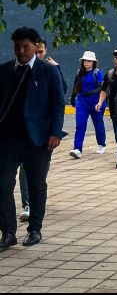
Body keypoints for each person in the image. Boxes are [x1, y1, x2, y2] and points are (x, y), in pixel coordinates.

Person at [0, 27, 66, 249]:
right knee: (2, 185)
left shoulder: (48, 72)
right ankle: (8, 232)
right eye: (17, 46)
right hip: (8, 139)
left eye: (25, 46)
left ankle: (34, 229)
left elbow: (58, 103)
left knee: (37, 185)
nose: (20, 50)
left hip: (37, 140)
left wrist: (55, 133)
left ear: (36, 46)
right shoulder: (4, 70)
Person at [69, 51, 106, 159]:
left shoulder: (97, 73)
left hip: (96, 103)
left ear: (93, 62)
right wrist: (73, 97)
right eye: (85, 60)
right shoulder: (78, 72)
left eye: (89, 61)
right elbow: (76, 86)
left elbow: (101, 88)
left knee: (98, 124)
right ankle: (77, 149)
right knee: (80, 125)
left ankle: (101, 144)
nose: (86, 63)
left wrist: (92, 93)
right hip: (82, 103)